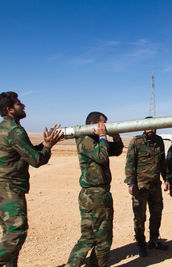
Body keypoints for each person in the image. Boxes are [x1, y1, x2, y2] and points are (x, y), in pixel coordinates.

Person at [0, 91, 63, 266]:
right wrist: (48, 147)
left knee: (9, 232)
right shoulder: (15, 130)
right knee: (16, 232)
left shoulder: (4, 127)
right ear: (9, 109)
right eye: (18, 103)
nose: (23, 105)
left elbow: (24, 152)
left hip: (3, 186)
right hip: (9, 187)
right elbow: (36, 160)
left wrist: (44, 145)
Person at [66, 112, 124, 267]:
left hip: (93, 194)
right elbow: (102, 156)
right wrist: (103, 137)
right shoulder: (85, 139)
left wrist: (116, 137)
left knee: (88, 237)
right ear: (93, 124)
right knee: (102, 240)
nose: (105, 126)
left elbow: (116, 151)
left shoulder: (94, 139)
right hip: (96, 194)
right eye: (103, 123)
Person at [125, 121, 169, 257]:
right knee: (140, 217)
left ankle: (154, 240)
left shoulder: (159, 141)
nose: (151, 129)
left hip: (156, 186)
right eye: (148, 126)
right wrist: (131, 183)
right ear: (144, 127)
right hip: (140, 187)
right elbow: (130, 164)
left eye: (153, 126)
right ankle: (140, 243)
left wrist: (166, 179)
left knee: (157, 214)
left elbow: (163, 163)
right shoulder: (136, 141)